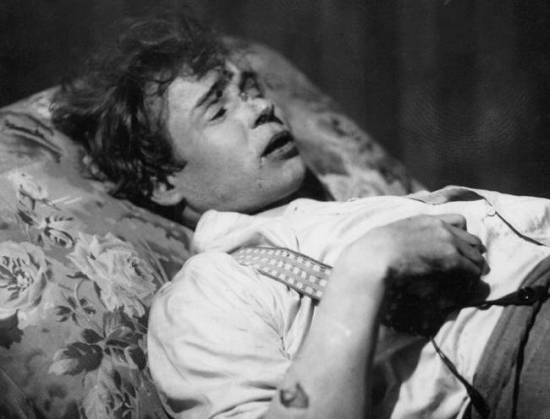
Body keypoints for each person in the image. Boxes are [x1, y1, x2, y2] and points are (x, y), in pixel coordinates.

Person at [52, 13, 550, 419]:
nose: (260, 107)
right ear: (162, 180)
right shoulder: (209, 290)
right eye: (218, 110)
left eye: (250, 89)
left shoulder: (337, 207)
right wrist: (366, 266)